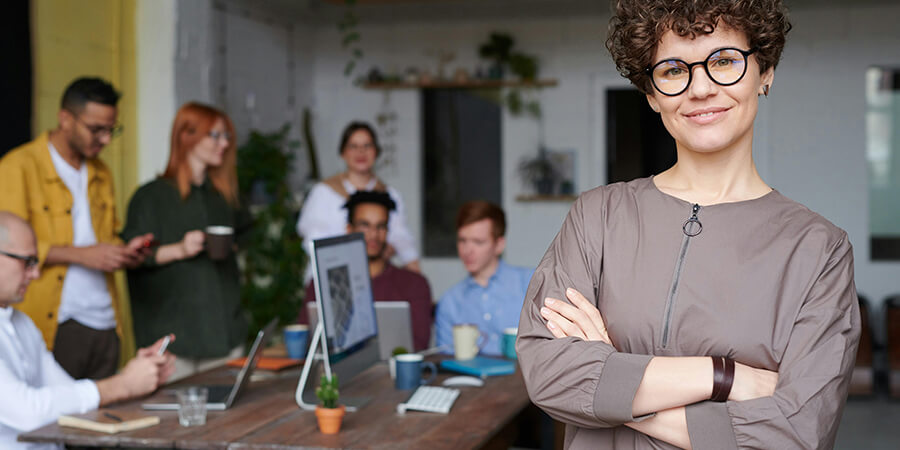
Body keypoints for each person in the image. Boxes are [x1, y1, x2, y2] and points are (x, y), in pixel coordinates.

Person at [516, 1, 860, 449]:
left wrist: (611, 382)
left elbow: (795, 434)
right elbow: (550, 374)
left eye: (723, 61)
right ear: (652, 94)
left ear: (765, 72)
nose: (700, 89)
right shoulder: (596, 217)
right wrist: (724, 376)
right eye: (674, 70)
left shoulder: (819, 249)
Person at [0, 77, 153, 380]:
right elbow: (7, 249)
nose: (106, 139)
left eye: (112, 130)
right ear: (65, 119)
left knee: (106, 417)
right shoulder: (18, 167)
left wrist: (124, 253)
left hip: (106, 321)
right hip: (56, 322)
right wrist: (83, 255)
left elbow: (104, 237)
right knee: (58, 421)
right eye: (97, 129)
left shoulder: (101, 172)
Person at [0, 211, 175, 450]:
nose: (36, 273)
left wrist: (137, 376)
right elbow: (28, 411)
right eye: (27, 262)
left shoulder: (22, 323)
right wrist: (123, 384)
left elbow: (68, 393)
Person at [121, 102, 248, 381]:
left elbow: (244, 235)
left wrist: (230, 246)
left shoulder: (223, 197)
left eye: (226, 136)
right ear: (186, 136)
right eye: (214, 135)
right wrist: (180, 249)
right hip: (176, 341)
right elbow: (132, 256)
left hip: (226, 333)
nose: (224, 143)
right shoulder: (150, 197)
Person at [299, 191, 433, 351]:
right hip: (338, 373)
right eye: (365, 225)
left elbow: (418, 346)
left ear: (387, 231)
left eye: (381, 226)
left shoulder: (414, 284)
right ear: (349, 229)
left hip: (392, 373)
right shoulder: (321, 284)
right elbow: (304, 344)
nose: (373, 235)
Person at [297, 122, 420, 275]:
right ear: (343, 153)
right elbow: (313, 241)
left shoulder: (389, 195)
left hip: (374, 276)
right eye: (353, 146)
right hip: (329, 274)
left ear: (376, 151)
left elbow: (401, 238)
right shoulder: (323, 192)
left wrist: (413, 267)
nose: (361, 152)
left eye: (367, 146)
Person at [435, 201, 533, 356]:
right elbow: (446, 362)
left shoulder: (530, 283)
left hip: (526, 379)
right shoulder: (450, 301)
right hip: (470, 380)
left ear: (499, 245)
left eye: (478, 242)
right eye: (462, 240)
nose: (467, 250)